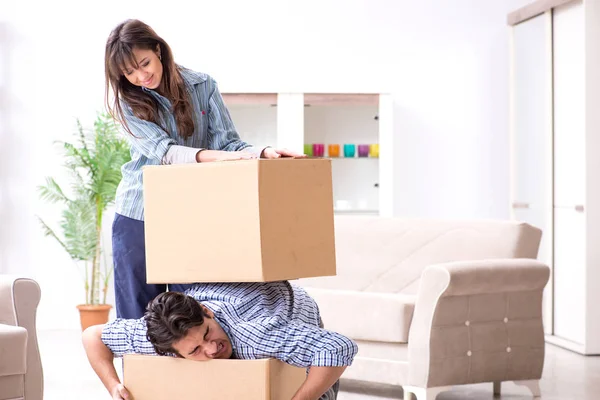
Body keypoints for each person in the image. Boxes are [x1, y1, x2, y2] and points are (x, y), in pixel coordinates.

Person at [104, 19, 305, 319]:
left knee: (193, 313)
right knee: (138, 314)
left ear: (158, 49)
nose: (141, 76)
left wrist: (264, 152)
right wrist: (220, 157)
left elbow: (229, 145)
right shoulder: (126, 101)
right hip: (139, 216)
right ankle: (140, 369)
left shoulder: (203, 85)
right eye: (129, 72)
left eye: (144, 63)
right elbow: (166, 153)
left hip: (190, 215)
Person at [82, 281, 358, 400]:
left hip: (289, 304)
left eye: (207, 333)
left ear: (206, 312)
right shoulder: (151, 337)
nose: (213, 348)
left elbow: (337, 347)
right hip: (227, 291)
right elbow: (92, 335)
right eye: (196, 350)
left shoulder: (256, 336)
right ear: (173, 353)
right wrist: (113, 385)